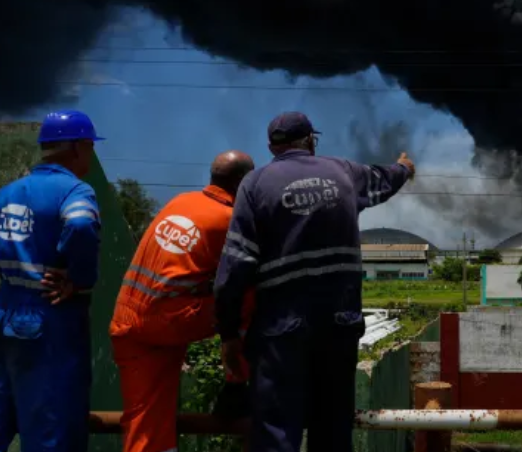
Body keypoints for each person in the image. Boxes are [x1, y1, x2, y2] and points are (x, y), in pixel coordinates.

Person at [214, 112, 415, 452]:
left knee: (277, 430)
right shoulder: (344, 172)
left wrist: (229, 334)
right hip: (339, 325)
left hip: (282, 330)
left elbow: (235, 266)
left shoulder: (255, 184)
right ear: (310, 141)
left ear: (271, 147)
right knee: (333, 428)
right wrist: (405, 169)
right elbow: (384, 178)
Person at [0, 110, 104, 452]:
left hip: (3, 313)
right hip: (50, 318)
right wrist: (78, 279)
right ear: (80, 147)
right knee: (52, 433)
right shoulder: (75, 191)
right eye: (91, 147)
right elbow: (80, 224)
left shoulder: (7, 194)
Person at [109, 150, 256, 452]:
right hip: (168, 319)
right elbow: (239, 286)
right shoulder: (230, 220)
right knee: (252, 295)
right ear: (243, 183)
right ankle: (236, 385)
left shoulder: (180, 202)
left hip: (127, 317)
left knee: (146, 420)